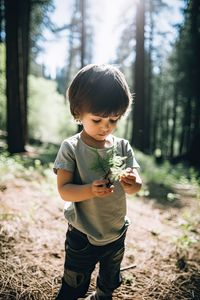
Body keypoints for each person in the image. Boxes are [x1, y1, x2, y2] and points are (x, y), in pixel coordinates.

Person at [53, 64, 142, 300]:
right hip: (82, 234)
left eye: (114, 120)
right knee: (74, 283)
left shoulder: (122, 147)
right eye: (98, 119)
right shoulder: (71, 148)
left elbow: (136, 184)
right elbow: (64, 191)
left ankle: (102, 295)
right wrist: (89, 190)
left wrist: (134, 183)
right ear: (77, 113)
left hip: (115, 232)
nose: (106, 127)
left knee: (109, 280)